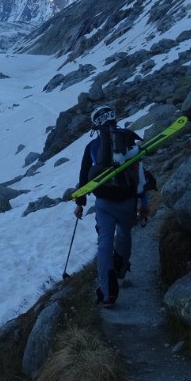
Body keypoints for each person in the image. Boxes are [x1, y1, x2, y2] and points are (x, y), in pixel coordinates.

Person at [73, 104, 151, 308]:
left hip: (104, 203)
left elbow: (84, 178)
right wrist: (144, 204)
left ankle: (108, 293)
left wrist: (80, 203)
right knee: (125, 235)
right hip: (127, 201)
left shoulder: (92, 147)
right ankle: (122, 268)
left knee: (104, 244)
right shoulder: (128, 140)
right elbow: (140, 175)